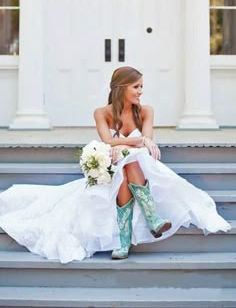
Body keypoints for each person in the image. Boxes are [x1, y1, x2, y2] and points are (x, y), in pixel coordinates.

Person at [0, 66, 231, 263]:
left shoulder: (146, 111)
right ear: (121, 88)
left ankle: (126, 238)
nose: (141, 91)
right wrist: (135, 141)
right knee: (124, 163)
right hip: (118, 167)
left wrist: (131, 144)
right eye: (136, 87)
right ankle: (151, 220)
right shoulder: (101, 112)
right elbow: (108, 141)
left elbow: (146, 144)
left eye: (141, 86)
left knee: (129, 159)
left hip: (146, 167)